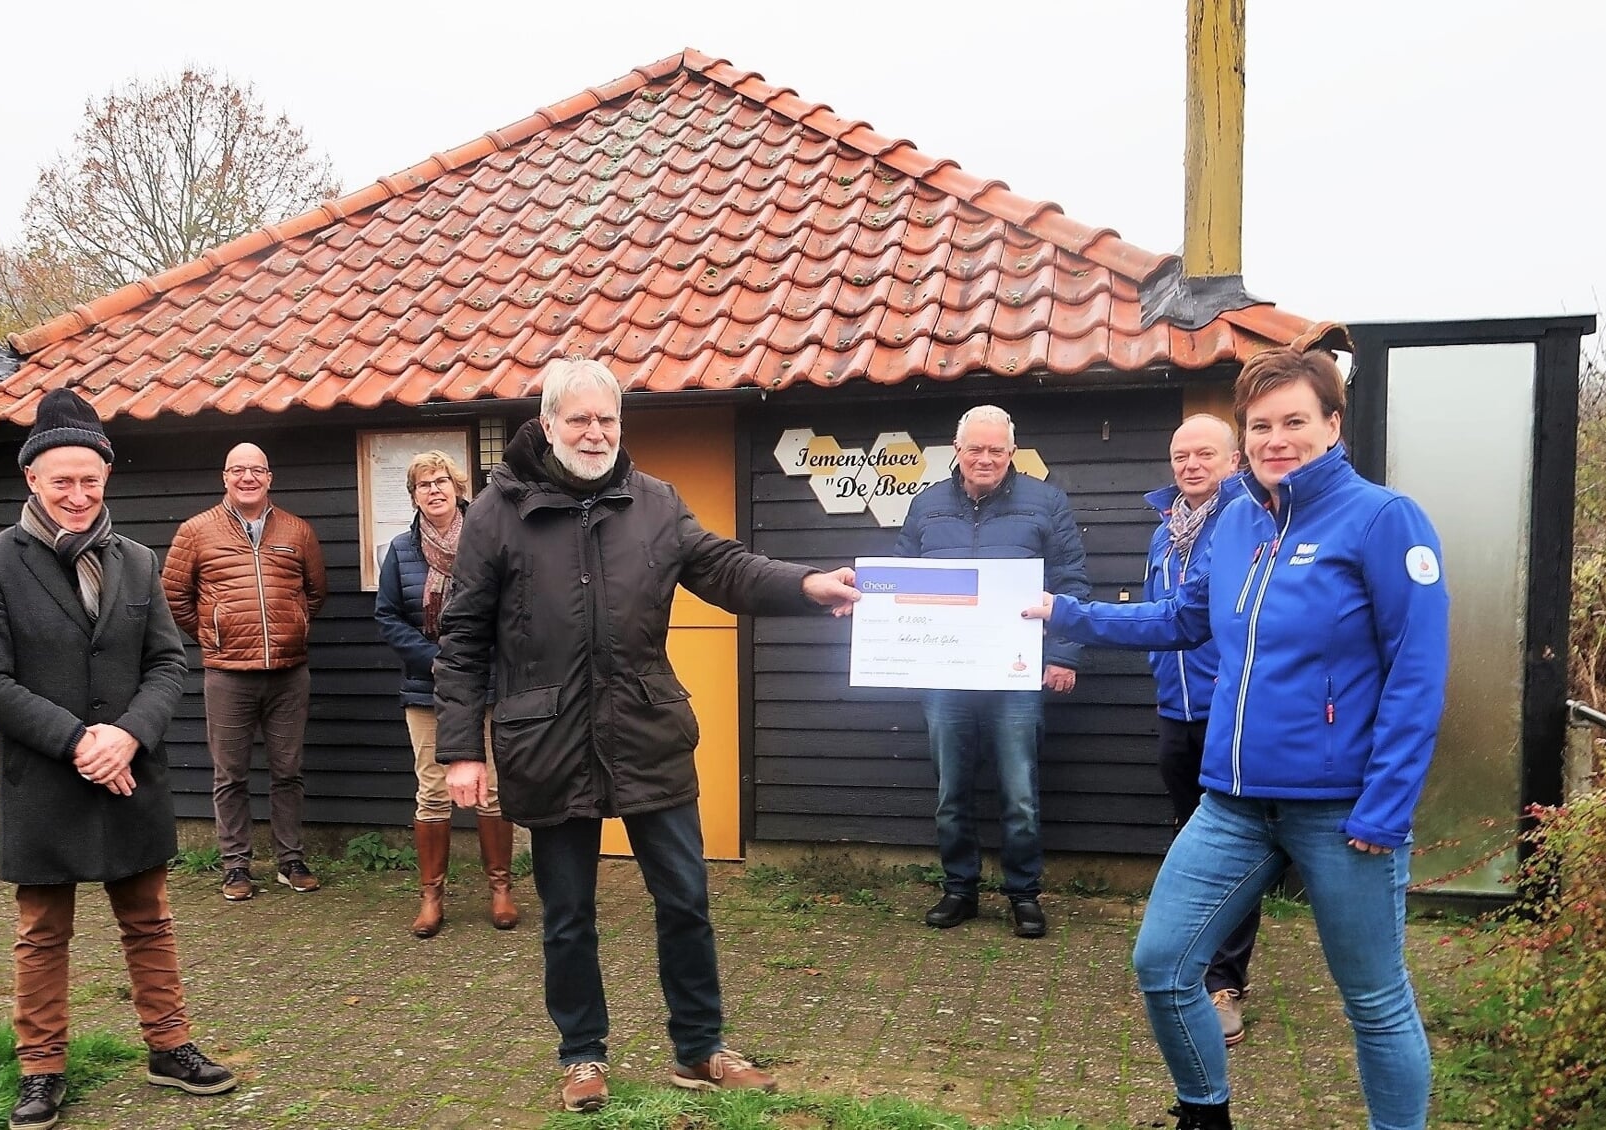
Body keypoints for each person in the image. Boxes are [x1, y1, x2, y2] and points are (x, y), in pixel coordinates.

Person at [1025, 326, 1450, 1130]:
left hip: (1343, 812)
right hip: (1232, 802)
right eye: (1260, 426)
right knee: (1163, 965)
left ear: (1332, 425)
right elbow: (1184, 620)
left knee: (1374, 1001)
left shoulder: (1384, 520)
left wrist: (1387, 808)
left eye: (1294, 422)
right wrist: (1064, 611)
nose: (1275, 440)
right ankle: (1203, 1111)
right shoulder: (1237, 525)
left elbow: (1418, 675)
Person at [433, 357, 862, 1113]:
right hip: (546, 740)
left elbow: (724, 568)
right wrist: (463, 747)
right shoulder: (496, 513)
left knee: (687, 899)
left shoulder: (656, 503)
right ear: (548, 423)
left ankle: (699, 1049)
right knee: (567, 915)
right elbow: (463, 637)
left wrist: (803, 585)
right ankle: (582, 1055)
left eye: (608, 420)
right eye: (580, 420)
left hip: (646, 728)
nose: (595, 433)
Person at [0, 388, 238, 1130]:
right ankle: (41, 1069)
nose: (78, 495)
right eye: (62, 481)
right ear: (33, 480)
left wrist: (128, 735)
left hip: (129, 773)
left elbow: (170, 666)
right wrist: (79, 740)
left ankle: (169, 1047)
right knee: (42, 930)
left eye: (90, 480)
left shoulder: (138, 562)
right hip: (44, 777)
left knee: (149, 920)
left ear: (105, 478)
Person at [894, 405, 1088, 939]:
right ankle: (960, 889)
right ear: (957, 451)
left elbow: (1071, 580)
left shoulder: (1046, 502)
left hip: (1017, 672)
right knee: (950, 790)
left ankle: (1023, 894)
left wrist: (1065, 654)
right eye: (974, 449)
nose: (984, 458)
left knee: (1020, 791)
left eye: (995, 450)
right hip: (945, 672)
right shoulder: (926, 504)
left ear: (1011, 452)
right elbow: (901, 578)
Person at [162, 441, 327, 901]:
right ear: (225, 477)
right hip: (228, 675)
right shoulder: (196, 531)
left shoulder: (297, 531)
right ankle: (236, 866)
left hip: (289, 673)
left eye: (257, 470)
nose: (248, 478)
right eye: (238, 470)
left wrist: (293, 626)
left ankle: (290, 859)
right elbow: (175, 595)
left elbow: (314, 592)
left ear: (269, 477)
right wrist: (213, 634)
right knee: (229, 775)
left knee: (288, 771)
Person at [1146, 414, 1261, 1047]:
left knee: (1233, 847)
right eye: (1180, 454)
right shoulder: (1165, 533)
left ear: (1233, 459)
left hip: (1229, 711)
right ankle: (1190, 962)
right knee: (1190, 842)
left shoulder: (1247, 523)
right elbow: (1163, 618)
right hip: (1174, 710)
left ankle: (1224, 982)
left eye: (1204, 454)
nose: (1190, 465)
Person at [374, 450, 522, 938]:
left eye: (441, 481)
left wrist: (481, 661)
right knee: (432, 793)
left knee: (494, 791)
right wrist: (434, 661)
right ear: (414, 496)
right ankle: (431, 896)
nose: (434, 490)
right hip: (427, 688)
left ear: (458, 488)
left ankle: (501, 889)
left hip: (489, 686)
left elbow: (511, 609)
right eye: (423, 485)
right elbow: (388, 617)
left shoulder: (487, 542)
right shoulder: (400, 550)